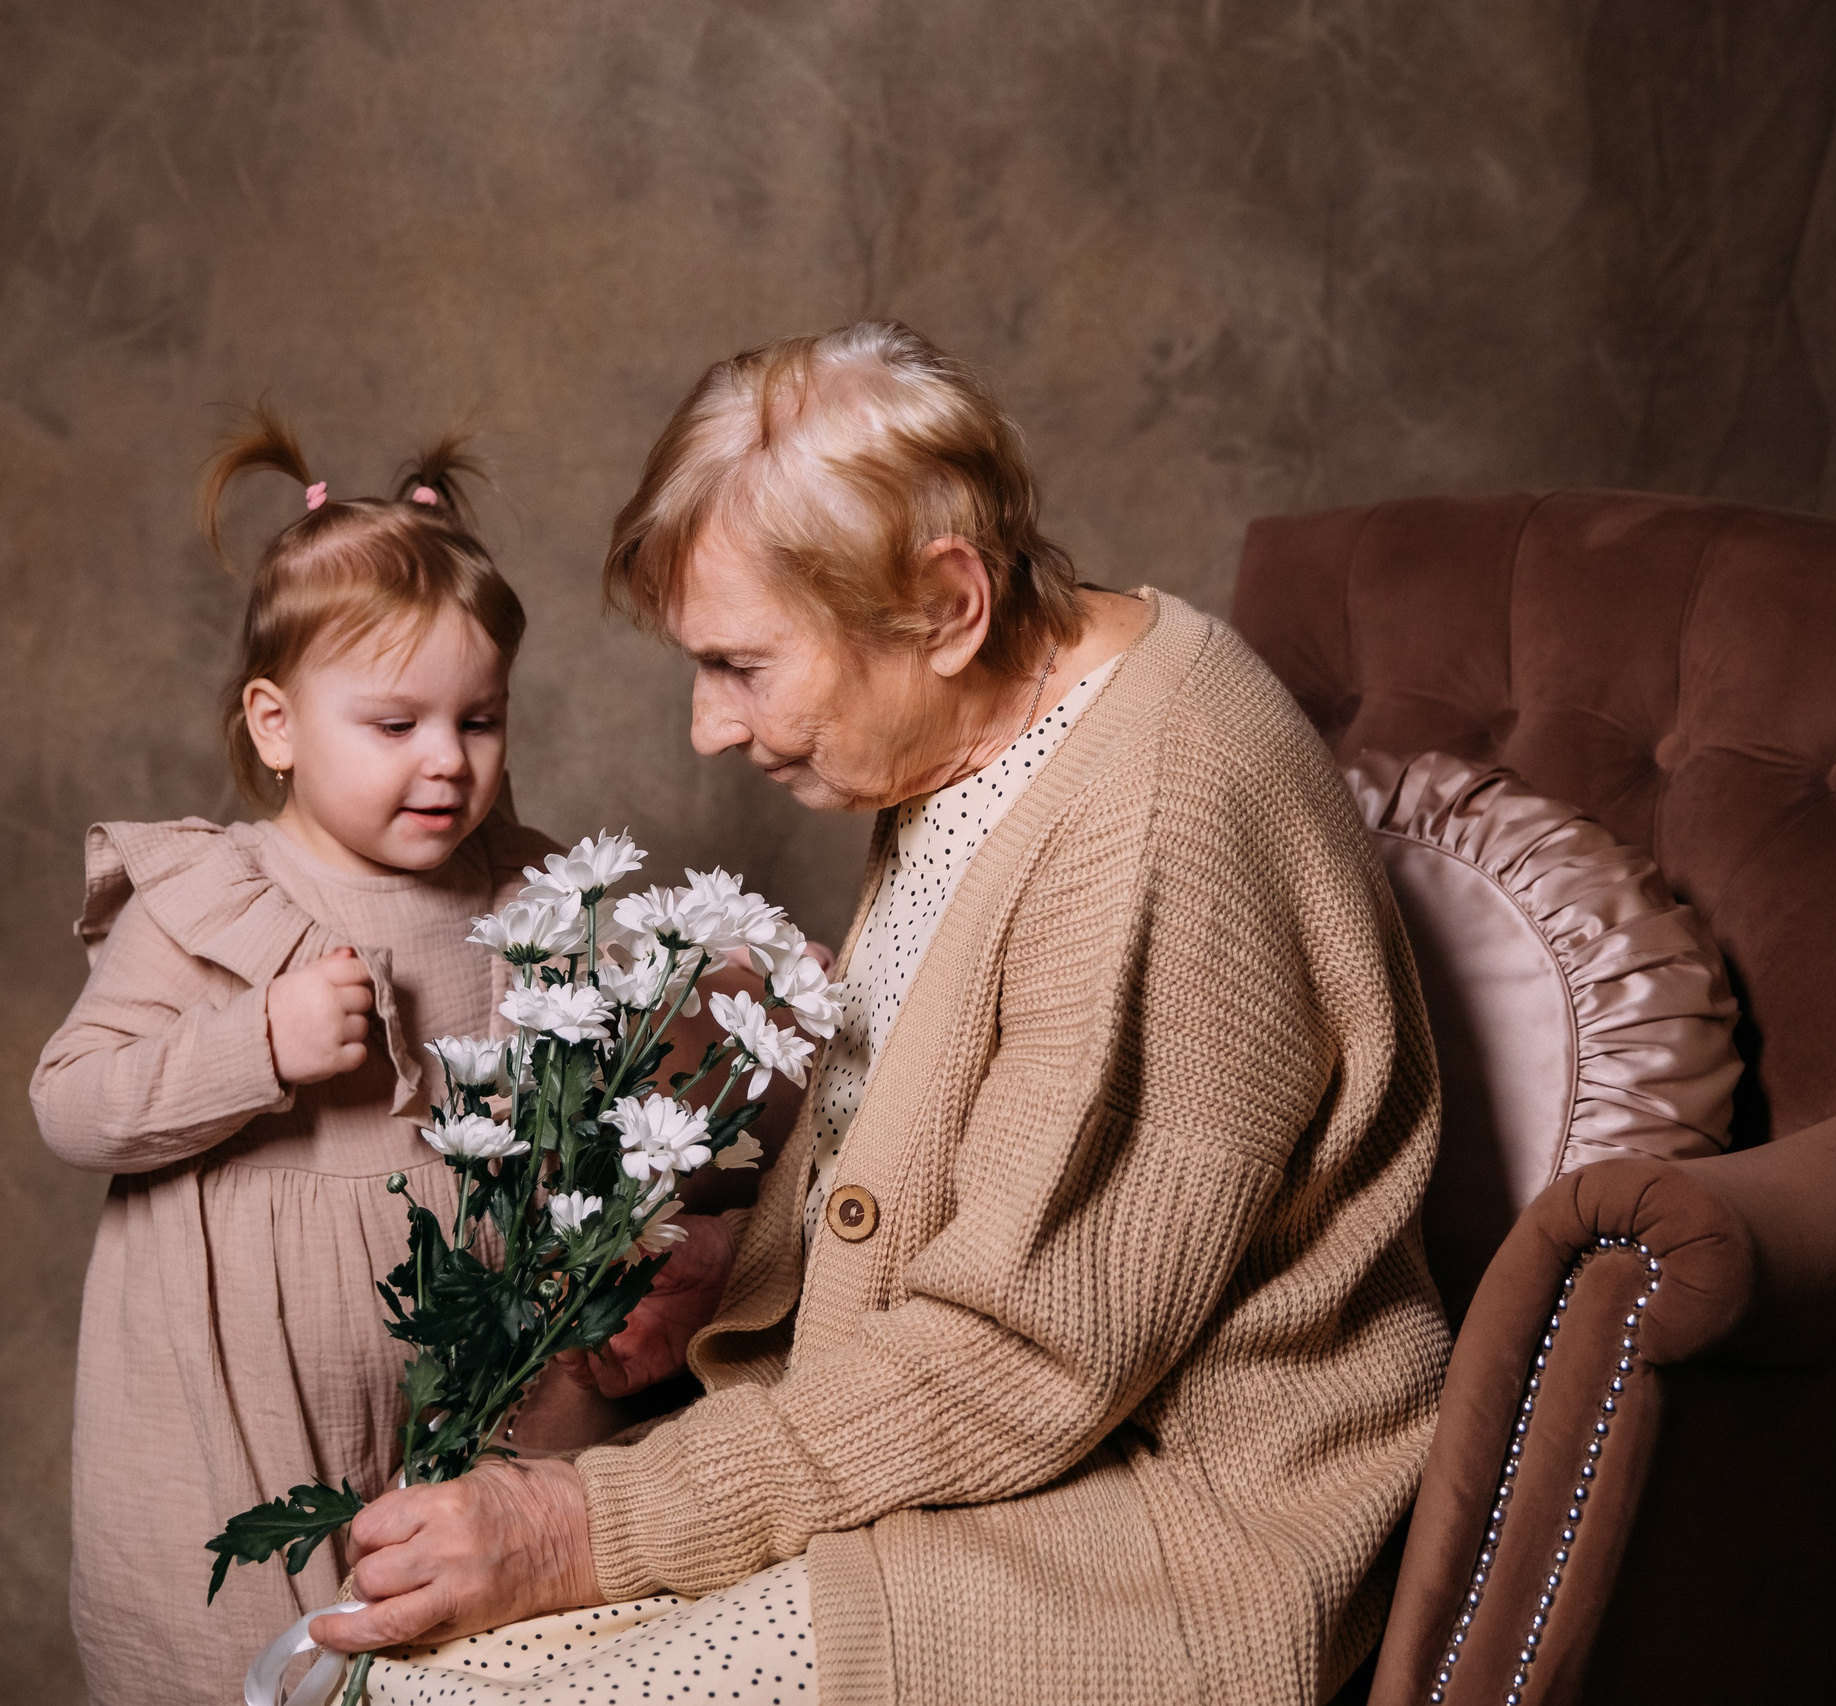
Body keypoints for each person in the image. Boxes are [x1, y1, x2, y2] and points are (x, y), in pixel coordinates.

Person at [314, 323, 1453, 1706]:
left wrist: (593, 1522)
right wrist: (748, 1264)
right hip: (999, 1459)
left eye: (740, 665)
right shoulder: (973, 726)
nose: (707, 731)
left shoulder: (1154, 816)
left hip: (1164, 1530)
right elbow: (948, 1146)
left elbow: (1023, 1355)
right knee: (356, 1679)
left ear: (948, 602)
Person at [29, 416, 582, 1706]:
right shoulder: (208, 898)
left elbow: (588, 1086)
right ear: (275, 726)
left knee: (461, 1659)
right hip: (232, 1397)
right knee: (229, 1660)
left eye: (480, 720)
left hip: (464, 1375)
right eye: (395, 725)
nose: (448, 761)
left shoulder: (526, 888)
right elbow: (73, 1106)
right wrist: (252, 1046)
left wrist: (703, 998)